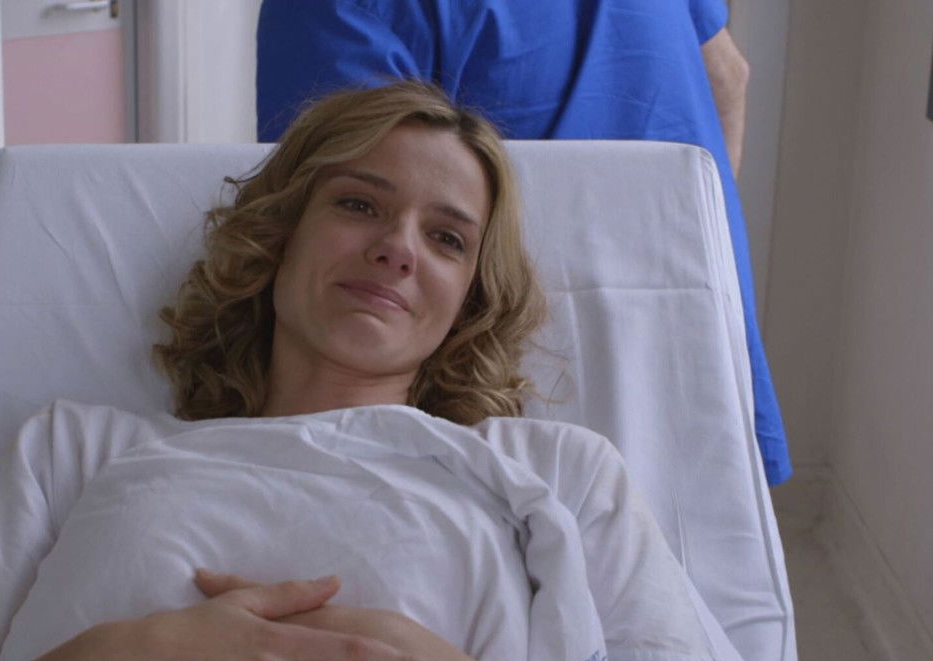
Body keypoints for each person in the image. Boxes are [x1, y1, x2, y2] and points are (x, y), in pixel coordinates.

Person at [0, 82, 755, 661]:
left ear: (468, 302)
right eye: (359, 205)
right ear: (277, 236)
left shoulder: (559, 474)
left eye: (446, 238)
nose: (398, 247)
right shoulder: (70, 451)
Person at [255, 0, 793, 487]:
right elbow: (729, 78)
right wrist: (679, 243)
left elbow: (324, 232)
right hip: (694, 325)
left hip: (511, 375)